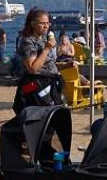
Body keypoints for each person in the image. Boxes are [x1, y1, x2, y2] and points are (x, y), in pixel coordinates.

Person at [12, 8, 73, 151]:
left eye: (48, 23)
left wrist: (65, 66)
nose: (46, 26)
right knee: (43, 124)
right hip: (37, 88)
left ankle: (52, 156)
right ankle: (39, 155)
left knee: (56, 122)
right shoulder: (27, 42)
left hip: (52, 86)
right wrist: (46, 49)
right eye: (42, 23)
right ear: (33, 23)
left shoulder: (44, 40)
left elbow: (48, 65)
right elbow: (33, 68)